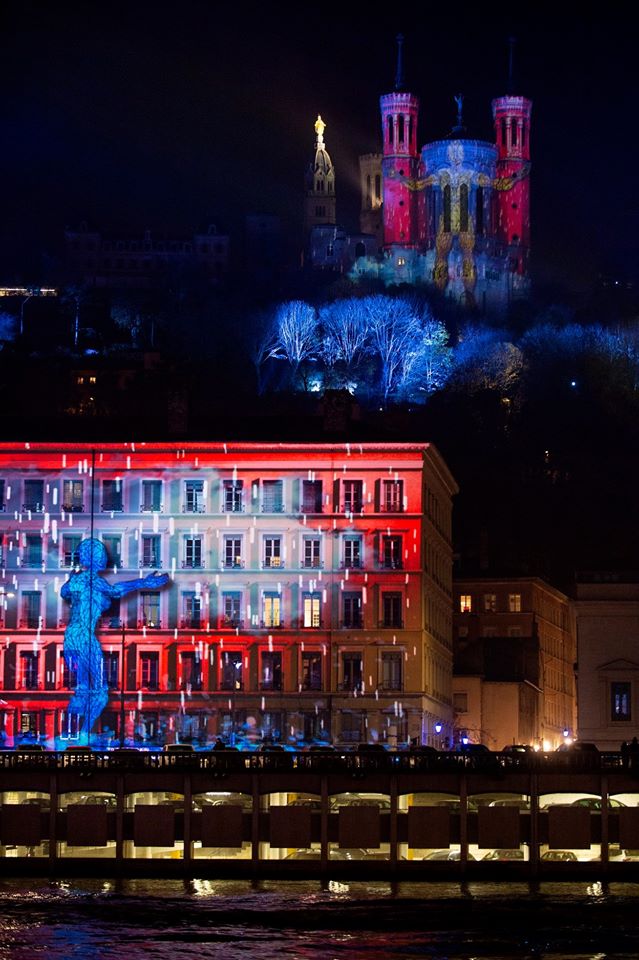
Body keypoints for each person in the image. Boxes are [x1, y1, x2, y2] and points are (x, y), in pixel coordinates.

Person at [61, 538, 169, 741]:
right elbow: (116, 590)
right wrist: (144, 583)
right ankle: (82, 733)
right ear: (95, 558)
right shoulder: (94, 581)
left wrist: (73, 578)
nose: (104, 557)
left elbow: (64, 591)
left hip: (72, 636)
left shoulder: (76, 581)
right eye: (100, 553)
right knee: (98, 692)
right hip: (83, 636)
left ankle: (74, 734)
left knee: (85, 688)